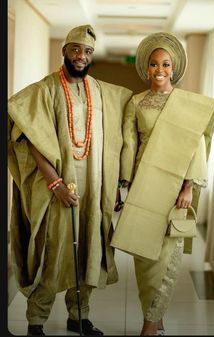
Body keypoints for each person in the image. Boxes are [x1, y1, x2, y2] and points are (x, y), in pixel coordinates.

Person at [8, 24, 132, 336]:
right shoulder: (45, 89)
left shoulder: (102, 91)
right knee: (54, 249)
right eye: (75, 49)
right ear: (65, 51)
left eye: (87, 51)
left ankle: (79, 316)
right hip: (56, 188)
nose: (81, 56)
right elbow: (29, 137)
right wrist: (55, 184)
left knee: (89, 248)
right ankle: (36, 320)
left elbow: (121, 134)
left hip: (94, 187)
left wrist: (115, 184)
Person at [111, 32, 214, 335]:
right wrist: (124, 184)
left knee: (166, 257)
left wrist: (188, 187)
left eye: (166, 65)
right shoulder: (135, 102)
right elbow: (129, 145)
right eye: (155, 64)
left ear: (174, 69)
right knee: (144, 257)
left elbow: (196, 146)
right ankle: (155, 318)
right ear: (147, 67)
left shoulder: (186, 104)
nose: (160, 70)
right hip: (144, 185)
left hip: (175, 191)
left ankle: (149, 323)